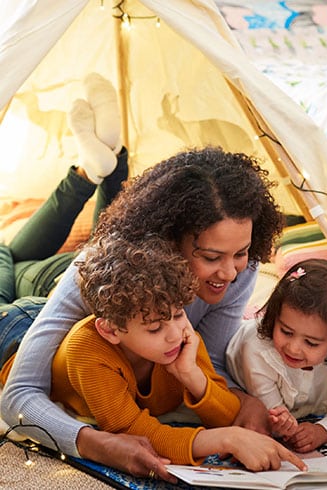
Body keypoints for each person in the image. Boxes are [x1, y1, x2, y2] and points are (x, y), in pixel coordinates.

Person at [1, 87, 286, 478]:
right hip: (24, 314)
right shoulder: (94, 274)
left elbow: (208, 364)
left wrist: (241, 400)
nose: (231, 273)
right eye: (210, 257)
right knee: (9, 259)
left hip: (109, 307)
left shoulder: (239, 268)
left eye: (241, 253)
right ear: (169, 240)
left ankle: (100, 167)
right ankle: (92, 172)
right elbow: (18, 395)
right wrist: (93, 442)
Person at [1, 233, 305, 473]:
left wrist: (191, 375)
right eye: (154, 328)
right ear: (110, 330)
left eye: (177, 314)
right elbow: (131, 430)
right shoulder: (90, 349)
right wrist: (225, 439)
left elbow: (226, 412)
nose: (174, 333)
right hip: (13, 333)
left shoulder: (181, 338)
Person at [0, 73, 127, 369]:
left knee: (109, 244)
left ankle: (108, 162)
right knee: (12, 258)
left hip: (86, 270)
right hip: (63, 278)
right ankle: (89, 172)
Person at [226, 258, 327, 453]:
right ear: (275, 317)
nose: (293, 348)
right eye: (286, 331)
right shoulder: (256, 349)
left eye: (311, 343)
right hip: (240, 364)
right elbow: (273, 416)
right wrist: (282, 423)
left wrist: (323, 430)